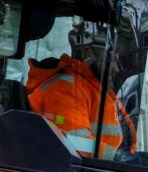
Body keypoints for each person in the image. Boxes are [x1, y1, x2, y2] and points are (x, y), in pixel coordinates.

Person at [26, 24, 135, 157]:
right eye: (112, 59)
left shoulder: (96, 90)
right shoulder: (66, 89)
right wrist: (129, 161)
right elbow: (77, 143)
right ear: (88, 54)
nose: (116, 69)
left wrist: (139, 159)